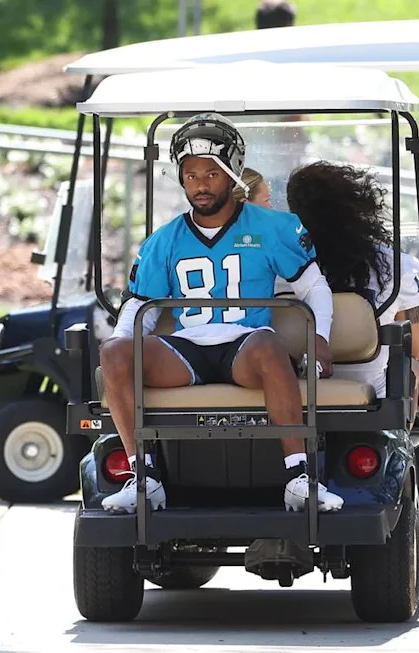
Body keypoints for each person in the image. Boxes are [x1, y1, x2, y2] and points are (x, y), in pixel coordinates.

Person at [99, 113, 342, 514]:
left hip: (245, 347)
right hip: (186, 349)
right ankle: (144, 478)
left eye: (211, 174)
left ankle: (301, 478)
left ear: (232, 175)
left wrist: (320, 338)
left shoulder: (271, 227)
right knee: (114, 353)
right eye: (191, 175)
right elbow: (139, 306)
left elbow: (313, 286)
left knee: (266, 342)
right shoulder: (164, 240)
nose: (200, 185)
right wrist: (121, 342)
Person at [282, 161, 419, 407]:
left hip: (292, 395)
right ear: (355, 208)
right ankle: (402, 439)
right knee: (412, 362)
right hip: (370, 402)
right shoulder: (395, 267)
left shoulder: (278, 264)